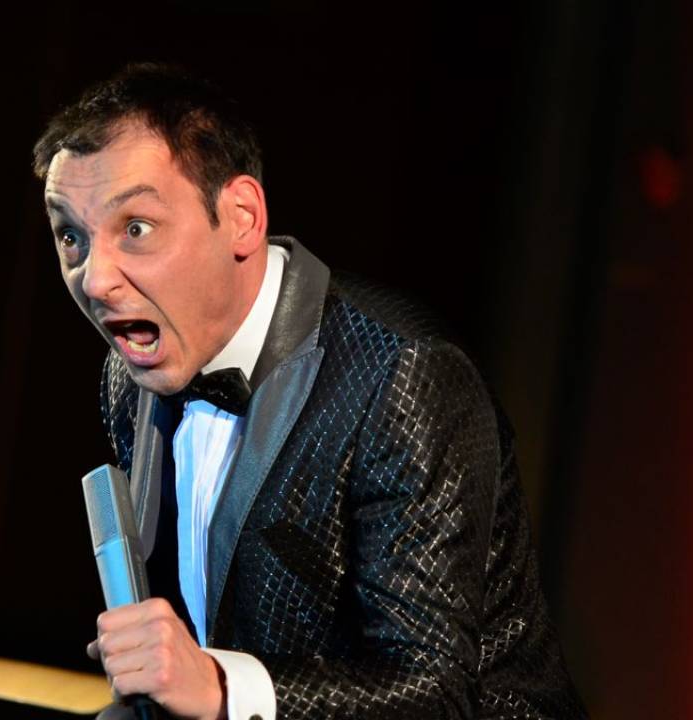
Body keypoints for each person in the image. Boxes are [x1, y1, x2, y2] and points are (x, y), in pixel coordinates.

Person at [33, 63, 587, 720]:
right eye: (71, 236)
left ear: (241, 217)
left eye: (136, 228)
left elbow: (436, 694)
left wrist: (221, 688)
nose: (95, 279)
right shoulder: (128, 376)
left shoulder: (403, 374)